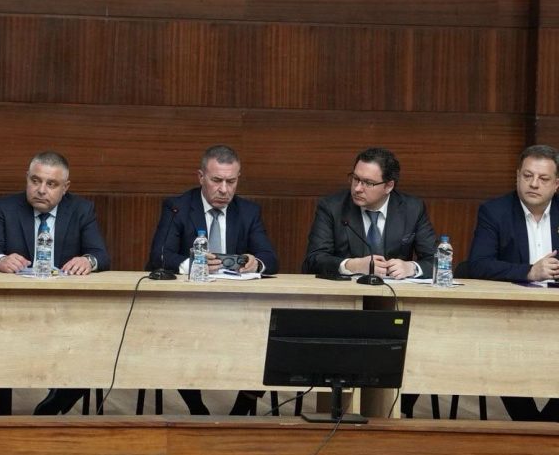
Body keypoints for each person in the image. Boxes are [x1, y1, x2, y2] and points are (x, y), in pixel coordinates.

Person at [0, 150, 111, 415]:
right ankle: (0, 423)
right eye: (35, 181)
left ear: (65, 187)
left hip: (65, 314)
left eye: (51, 184)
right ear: (26, 178)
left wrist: (88, 261)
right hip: (12, 312)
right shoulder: (3, 208)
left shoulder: (81, 210)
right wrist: (0, 260)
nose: (41, 190)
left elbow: (101, 254)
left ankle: (54, 404)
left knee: (98, 342)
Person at [147, 144, 278, 416]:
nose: (224, 189)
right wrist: (193, 264)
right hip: (187, 309)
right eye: (217, 180)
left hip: (239, 309)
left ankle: (241, 409)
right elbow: (159, 256)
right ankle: (197, 409)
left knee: (269, 342)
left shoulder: (248, 211)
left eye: (231, 181)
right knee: (169, 340)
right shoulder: (178, 207)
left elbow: (270, 258)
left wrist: (256, 262)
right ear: (201, 177)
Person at [467, 144, 559, 422]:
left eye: (543, 178)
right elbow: (478, 264)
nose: (534, 184)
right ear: (517, 176)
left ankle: (545, 424)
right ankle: (531, 425)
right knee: (499, 353)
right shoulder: (495, 212)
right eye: (527, 176)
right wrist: (529, 272)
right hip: (509, 316)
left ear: (556, 184)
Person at [303, 147, 436, 279]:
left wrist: (412, 268)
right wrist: (352, 266)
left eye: (368, 183)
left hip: (395, 291)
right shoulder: (332, 207)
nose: (357, 188)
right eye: (355, 179)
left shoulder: (412, 209)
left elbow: (436, 260)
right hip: (347, 291)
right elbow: (313, 261)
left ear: (388, 186)